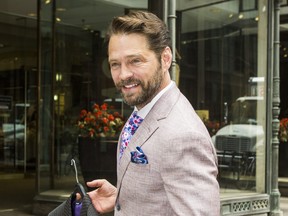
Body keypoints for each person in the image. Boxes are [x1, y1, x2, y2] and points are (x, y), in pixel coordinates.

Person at [87, 11, 220, 215]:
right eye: (115, 64)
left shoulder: (184, 135)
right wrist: (123, 196)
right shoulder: (144, 110)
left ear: (165, 58)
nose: (123, 75)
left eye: (135, 61)